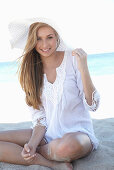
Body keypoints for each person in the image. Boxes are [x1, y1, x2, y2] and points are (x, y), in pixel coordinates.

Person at [0, 18, 100, 170]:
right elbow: (40, 118)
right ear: (32, 41)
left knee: (66, 147)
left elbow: (92, 105)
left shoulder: (72, 59)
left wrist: (84, 67)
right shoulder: (30, 71)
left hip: (78, 135)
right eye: (38, 39)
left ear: (57, 37)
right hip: (46, 135)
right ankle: (49, 162)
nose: (44, 45)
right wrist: (32, 143)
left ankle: (32, 154)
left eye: (49, 37)